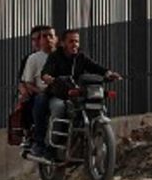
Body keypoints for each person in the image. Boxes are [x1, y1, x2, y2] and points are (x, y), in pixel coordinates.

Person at [33, 29, 119, 159]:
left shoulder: (81, 57)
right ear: (63, 43)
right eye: (71, 41)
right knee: (59, 108)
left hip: (77, 94)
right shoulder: (55, 56)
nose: (75, 44)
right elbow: (46, 71)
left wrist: (109, 73)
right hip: (59, 94)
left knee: (98, 106)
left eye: (77, 41)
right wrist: (47, 77)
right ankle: (50, 146)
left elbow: (95, 67)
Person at [20, 26, 57, 159]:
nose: (46, 40)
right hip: (40, 94)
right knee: (37, 101)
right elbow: (25, 82)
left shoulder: (63, 56)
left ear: (56, 39)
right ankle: (37, 141)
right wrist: (35, 91)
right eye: (42, 37)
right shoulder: (32, 59)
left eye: (50, 36)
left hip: (60, 93)